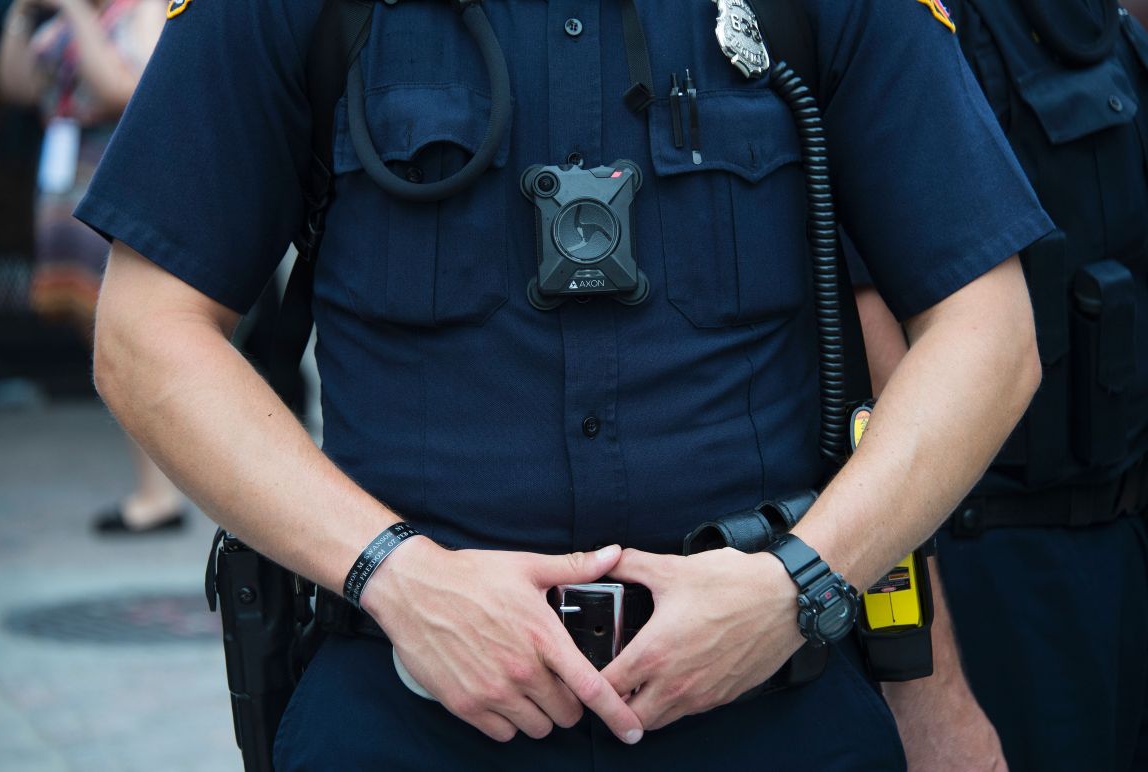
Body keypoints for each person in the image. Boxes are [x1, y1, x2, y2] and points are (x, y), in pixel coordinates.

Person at [82, 0, 1050, 768]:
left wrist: (797, 581)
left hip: (768, 703)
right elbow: (147, 332)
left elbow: (986, 331)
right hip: (410, 706)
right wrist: (397, 574)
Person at [849, 1, 1148, 770]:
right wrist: (931, 693)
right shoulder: (898, 30)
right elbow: (872, 371)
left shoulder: (1102, 28)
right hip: (987, 573)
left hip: (1116, 553)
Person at [0, 0, 185, 533]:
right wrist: (19, 17)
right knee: (100, 336)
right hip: (67, 185)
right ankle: (154, 488)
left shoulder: (142, 8)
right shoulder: (55, 17)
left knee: (128, 336)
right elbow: (17, 89)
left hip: (119, 185)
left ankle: (159, 494)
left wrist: (75, 14)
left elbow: (129, 91)